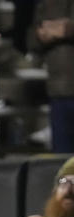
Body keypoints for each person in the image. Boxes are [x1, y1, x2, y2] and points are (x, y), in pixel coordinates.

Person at [27, 0, 74, 153]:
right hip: (58, 91)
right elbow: (30, 40)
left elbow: (65, 28)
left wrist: (67, 29)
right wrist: (40, 35)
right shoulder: (46, 4)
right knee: (63, 160)